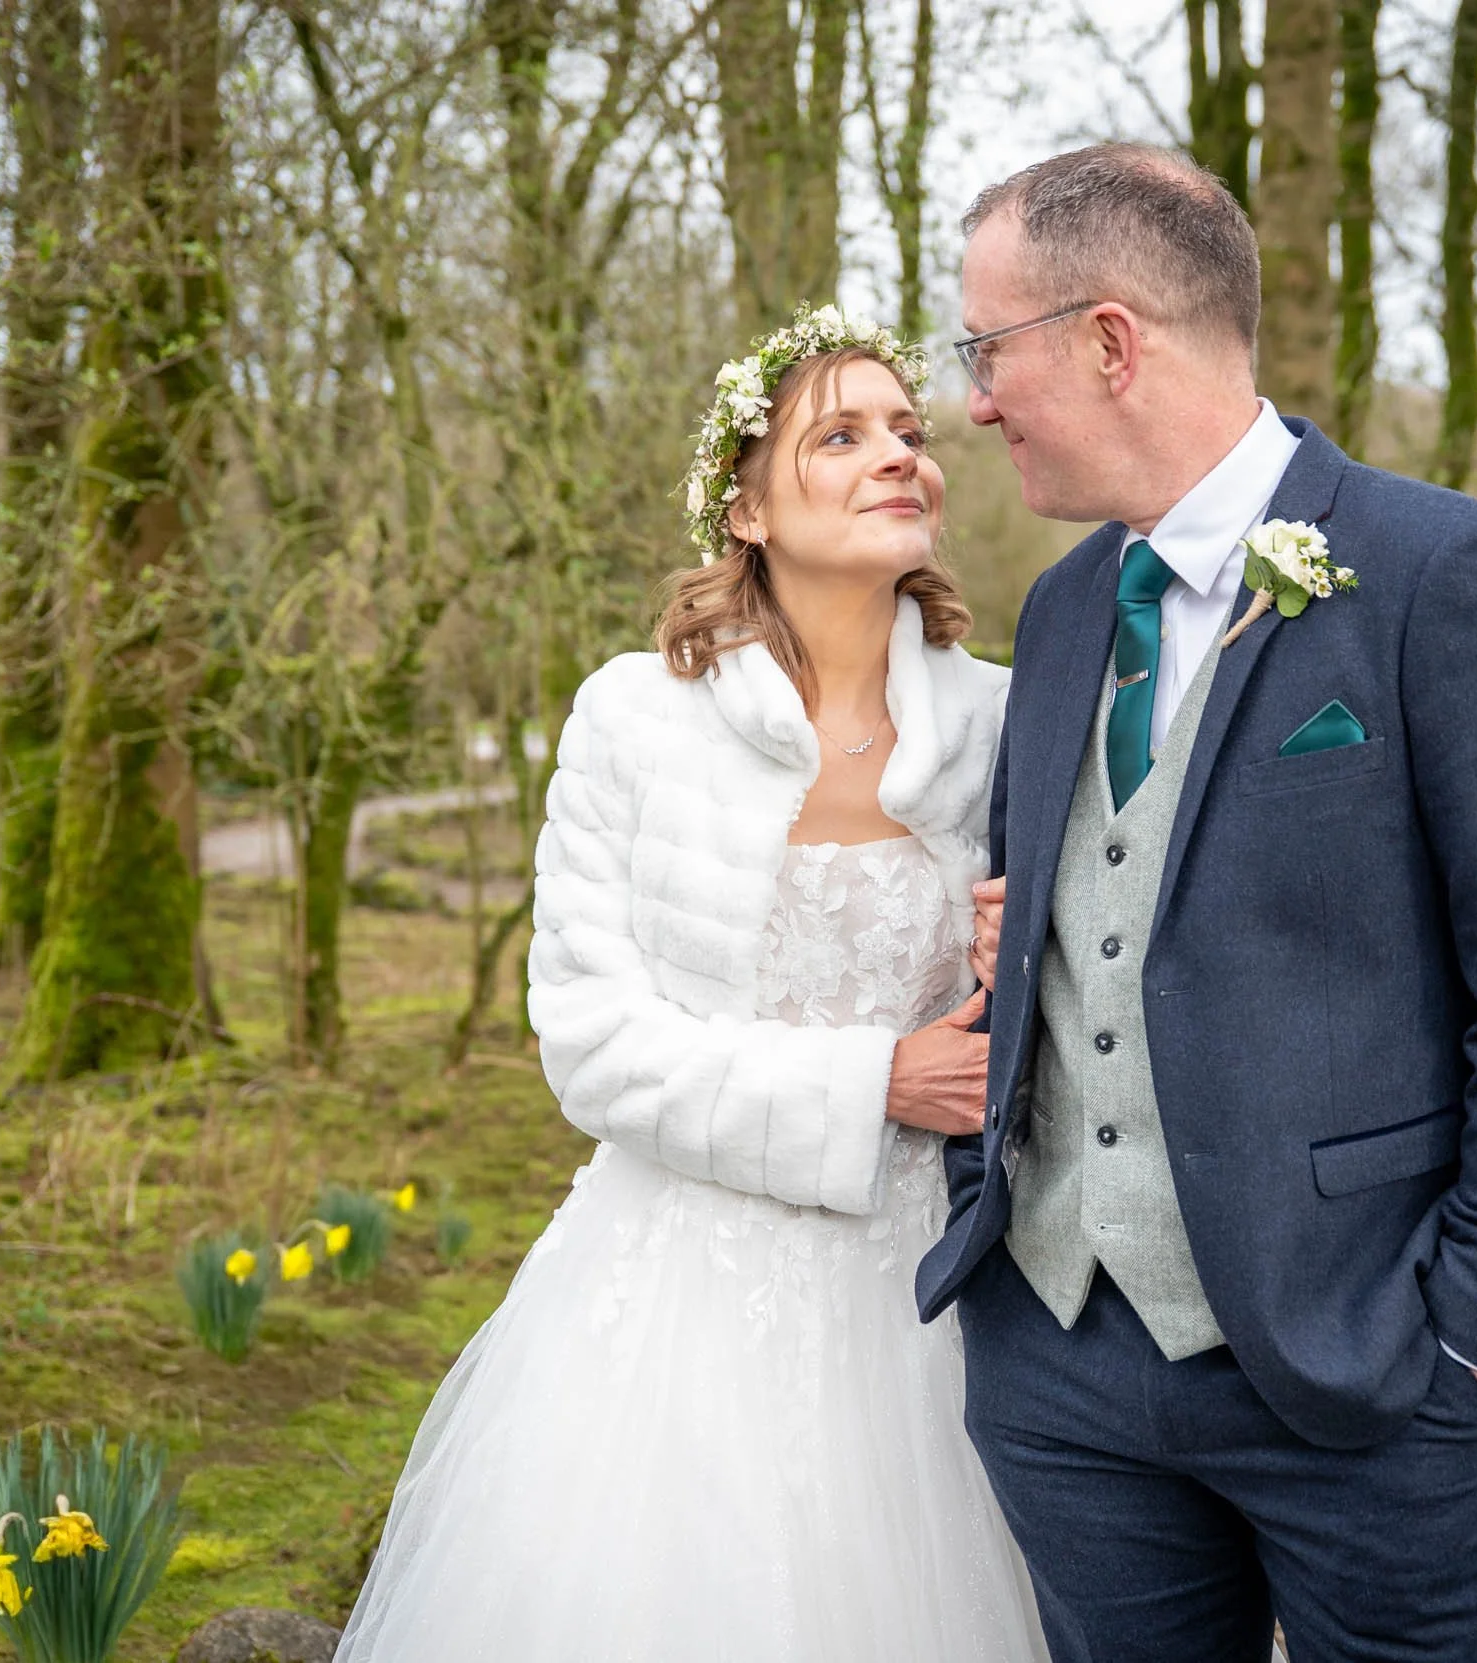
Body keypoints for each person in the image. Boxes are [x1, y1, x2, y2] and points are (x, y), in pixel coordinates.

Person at [920, 144, 1477, 1662]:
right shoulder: (1057, 613)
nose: (973, 400)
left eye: (989, 352)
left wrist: (1468, 1326)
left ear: (1111, 341)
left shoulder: (1441, 574)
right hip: (1057, 1365)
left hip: (1358, 1364)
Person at [334, 307, 1047, 1662]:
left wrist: (1032, 966)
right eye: (840, 433)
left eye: (909, 428)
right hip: (669, 1322)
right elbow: (594, 1047)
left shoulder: (1006, 721)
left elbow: (1091, 1004)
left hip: (938, 1304)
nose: (898, 451)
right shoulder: (634, 721)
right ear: (746, 506)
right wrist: (874, 1082)